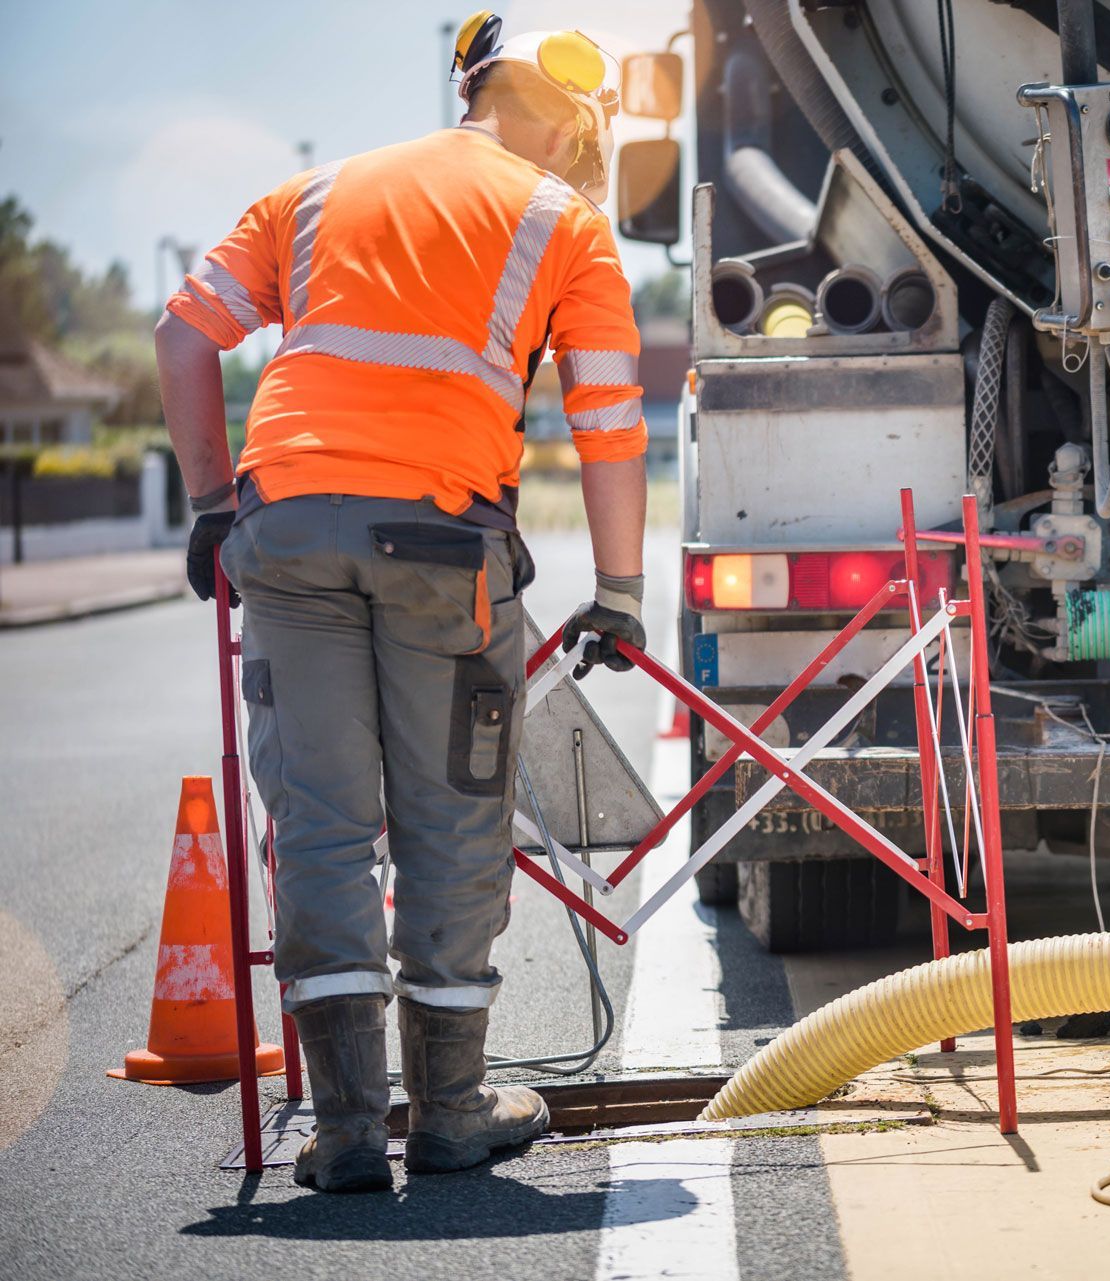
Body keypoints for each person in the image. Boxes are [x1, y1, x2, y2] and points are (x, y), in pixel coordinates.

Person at [154, 16, 649, 1194]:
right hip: (441, 543)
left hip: (283, 532)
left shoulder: (314, 194)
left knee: (319, 826)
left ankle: (340, 1133)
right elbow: (609, 422)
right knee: (452, 824)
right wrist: (619, 593)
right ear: (573, 114)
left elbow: (183, 337)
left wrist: (213, 505)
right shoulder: (565, 222)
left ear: (471, 84)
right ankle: (450, 1114)